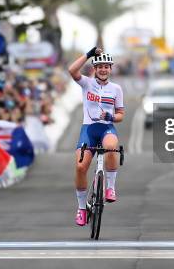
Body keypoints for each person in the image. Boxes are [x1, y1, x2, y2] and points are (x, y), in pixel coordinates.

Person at [68, 47, 125, 226]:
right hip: (89, 129)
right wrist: (89, 54)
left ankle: (109, 188)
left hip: (107, 128)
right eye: (99, 66)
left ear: (110, 69)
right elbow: (71, 70)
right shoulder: (86, 83)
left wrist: (110, 117)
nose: (103, 69)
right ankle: (82, 208)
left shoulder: (116, 89)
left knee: (111, 147)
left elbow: (121, 115)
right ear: (94, 68)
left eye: (106, 67)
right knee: (80, 167)